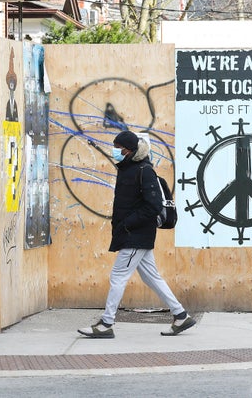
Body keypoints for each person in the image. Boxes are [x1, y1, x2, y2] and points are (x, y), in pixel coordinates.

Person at [78, 130, 196, 338]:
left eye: (118, 148)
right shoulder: (128, 169)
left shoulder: (144, 171)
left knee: (118, 277)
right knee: (152, 278)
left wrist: (127, 224)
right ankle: (181, 315)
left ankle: (106, 324)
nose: (115, 151)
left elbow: (153, 206)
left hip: (136, 235)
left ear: (128, 150)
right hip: (133, 234)